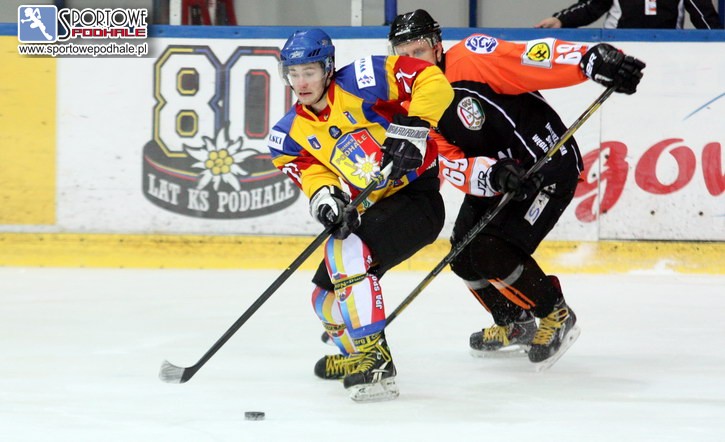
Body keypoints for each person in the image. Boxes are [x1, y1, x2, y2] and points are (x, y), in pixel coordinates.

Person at [389, 10, 645, 367]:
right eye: (403, 55)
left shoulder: (473, 57)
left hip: (546, 167)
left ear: (437, 46)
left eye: (419, 51)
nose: (413, 62)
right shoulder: (414, 105)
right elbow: (451, 163)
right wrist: (493, 176)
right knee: (463, 255)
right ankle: (515, 323)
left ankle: (555, 313)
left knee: (491, 250)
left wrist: (587, 59)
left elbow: (532, 57)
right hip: (499, 178)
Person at [267, 29, 453, 401]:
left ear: (327, 68)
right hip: (372, 209)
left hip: (417, 198)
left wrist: (414, 127)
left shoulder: (363, 78)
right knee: (323, 299)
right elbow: (313, 175)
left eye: (309, 72)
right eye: (293, 73)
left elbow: (433, 80)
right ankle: (357, 356)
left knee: (342, 250)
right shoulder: (286, 135)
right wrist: (327, 200)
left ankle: (376, 361)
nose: (301, 83)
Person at [535, 0, 722, 29]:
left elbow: (704, 15)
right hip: (618, 50)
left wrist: (719, 42)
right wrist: (561, 19)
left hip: (669, 54)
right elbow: (592, 6)